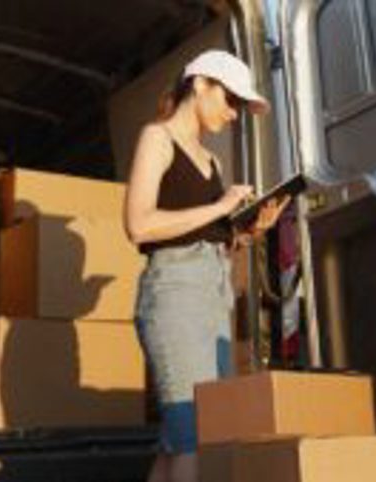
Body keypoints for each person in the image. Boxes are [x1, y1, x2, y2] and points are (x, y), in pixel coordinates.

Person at [123, 50, 289, 482]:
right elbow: (139, 225)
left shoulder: (213, 162)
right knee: (194, 437)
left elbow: (209, 238)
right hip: (174, 295)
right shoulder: (157, 138)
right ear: (199, 85)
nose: (234, 114)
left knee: (189, 435)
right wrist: (220, 205)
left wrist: (250, 232)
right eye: (231, 100)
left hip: (213, 296)